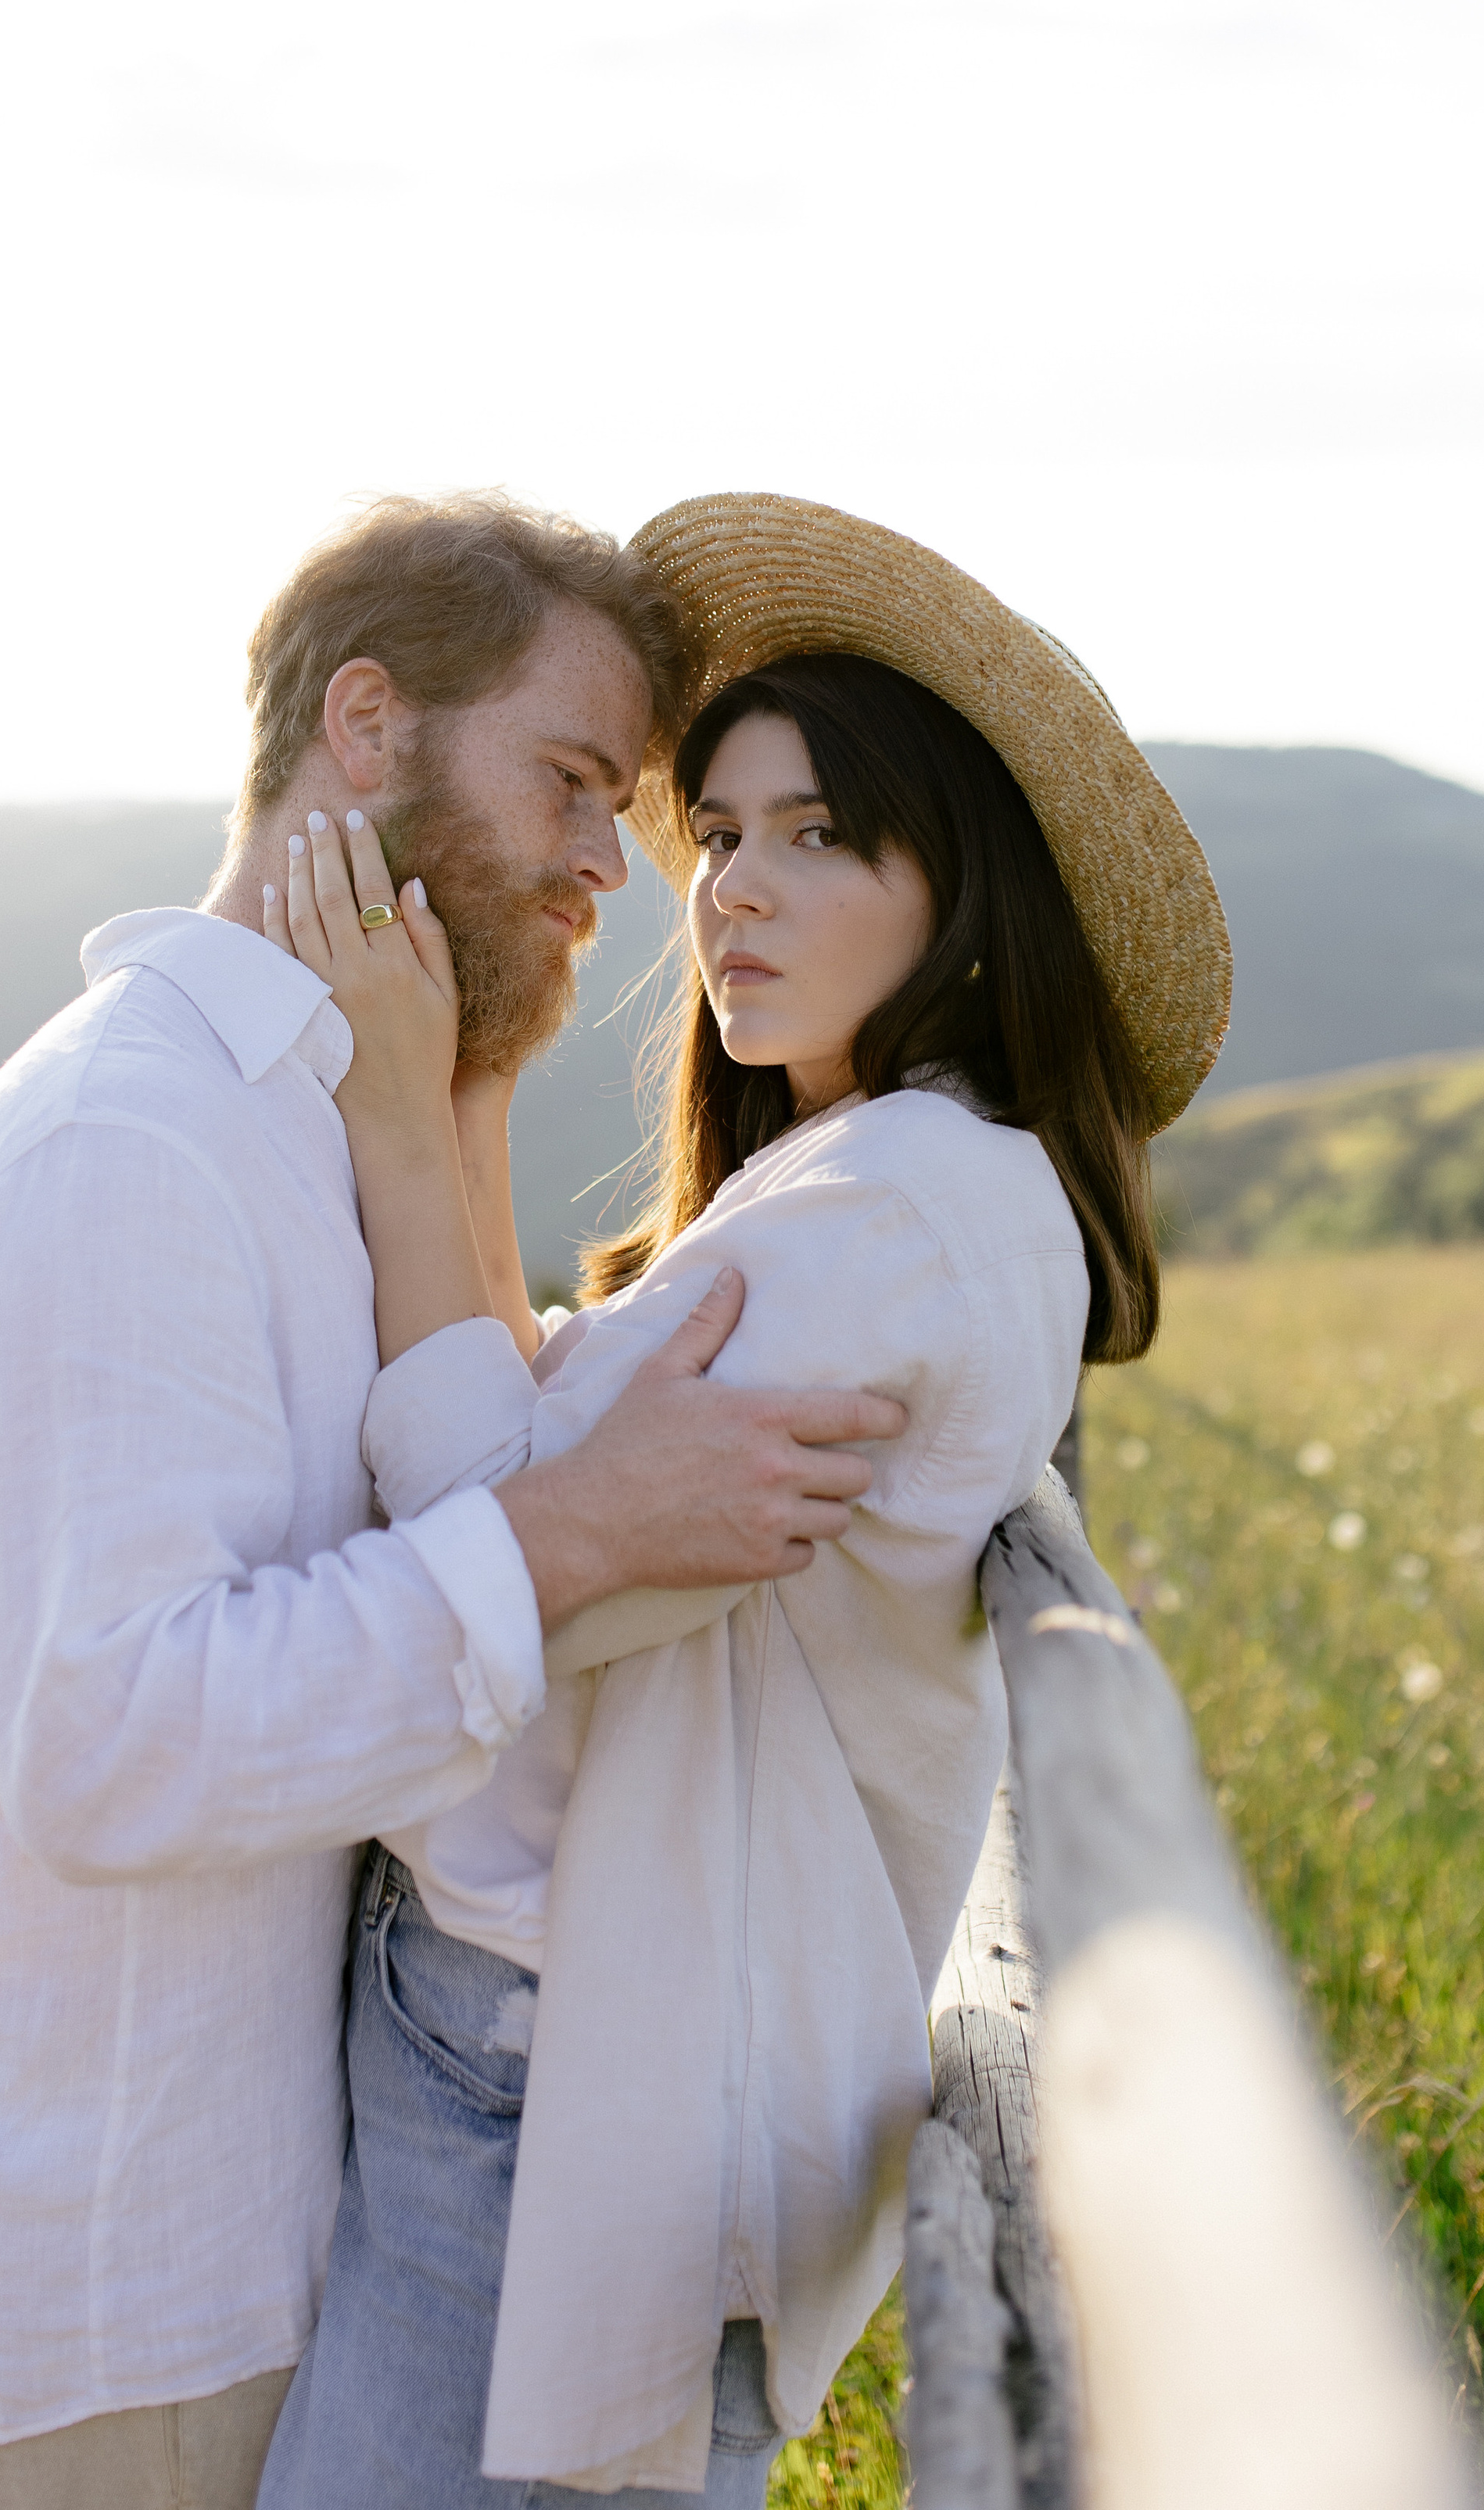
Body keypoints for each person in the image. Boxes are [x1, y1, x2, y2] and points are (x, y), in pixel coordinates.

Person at [0, 492, 909, 2510]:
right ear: (364, 727)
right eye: (575, 784)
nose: (616, 865)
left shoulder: (314, 1122)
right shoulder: (120, 1144)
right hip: (112, 2291)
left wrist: (456, 1130)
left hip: (254, 2236)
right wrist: (581, 1530)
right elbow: (114, 1742)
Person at [254, 491, 1232, 2506]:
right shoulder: (850, 1175)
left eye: (821, 837)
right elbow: (549, 1470)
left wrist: (399, 1106)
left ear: (961, 894)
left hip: (566, 2051)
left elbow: (514, 1565)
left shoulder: (903, 1217)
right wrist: (471, 1091)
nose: (734, 897)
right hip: (545, 2018)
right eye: (719, 838)